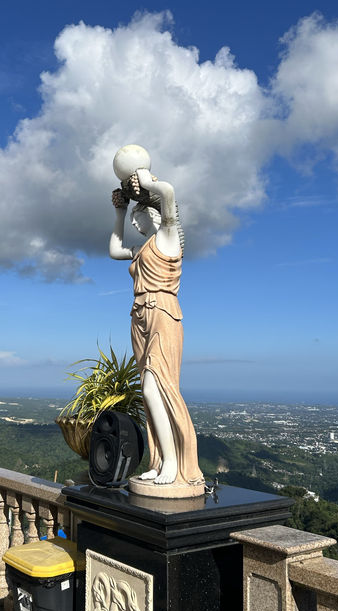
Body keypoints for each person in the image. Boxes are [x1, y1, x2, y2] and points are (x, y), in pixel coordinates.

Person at [109, 145, 204, 489]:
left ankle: (176, 464)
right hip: (139, 317)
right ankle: (160, 461)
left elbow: (170, 193)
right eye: (134, 219)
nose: (137, 220)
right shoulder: (143, 247)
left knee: (155, 387)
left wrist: (147, 181)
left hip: (163, 312)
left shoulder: (168, 237)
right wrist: (120, 212)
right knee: (151, 392)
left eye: (139, 214)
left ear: (154, 211)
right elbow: (115, 250)